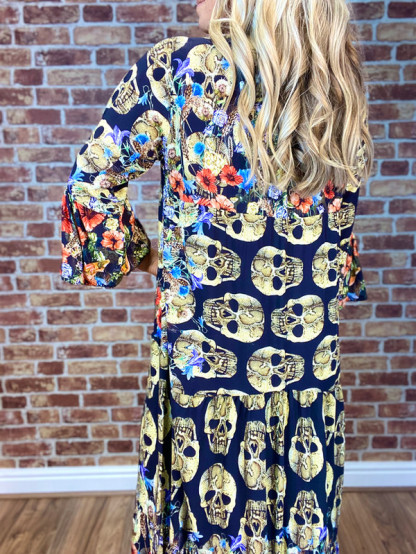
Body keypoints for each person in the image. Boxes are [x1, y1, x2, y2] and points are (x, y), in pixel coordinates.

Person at [60, 0, 373, 551]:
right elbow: (338, 230)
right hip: (306, 379)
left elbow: (88, 189)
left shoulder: (177, 70)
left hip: (201, 377)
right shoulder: (335, 74)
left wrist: (147, 256)